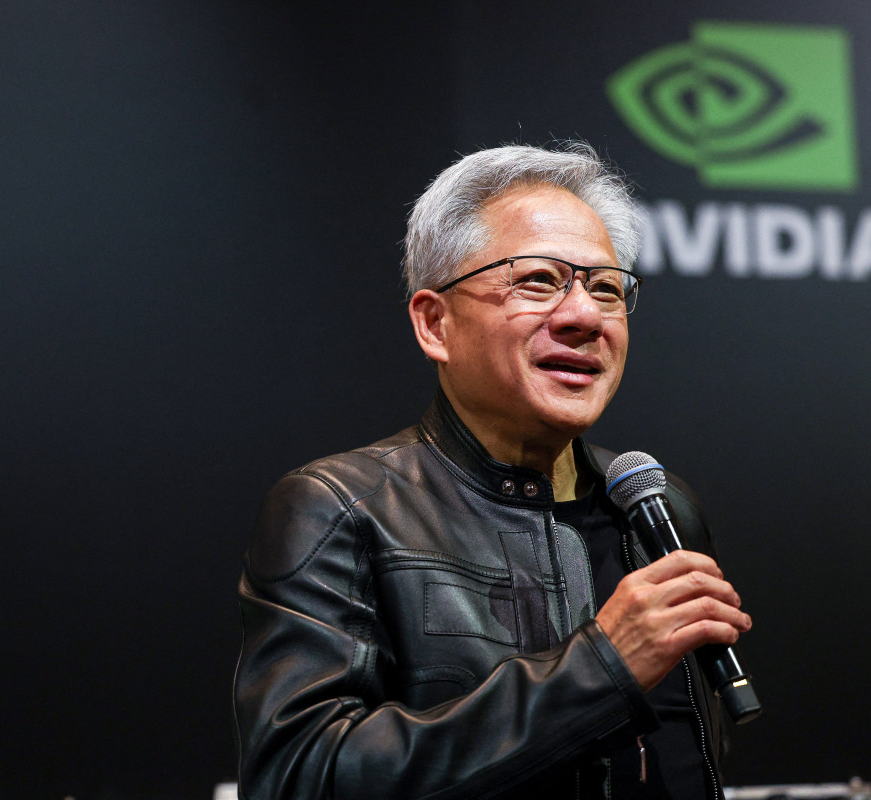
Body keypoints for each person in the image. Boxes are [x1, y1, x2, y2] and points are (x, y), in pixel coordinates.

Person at [233, 142, 752, 799]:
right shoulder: (342, 509)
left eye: (605, 288)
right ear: (435, 323)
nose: (584, 316)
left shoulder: (658, 507)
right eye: (537, 281)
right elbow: (299, 779)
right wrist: (600, 670)